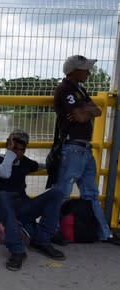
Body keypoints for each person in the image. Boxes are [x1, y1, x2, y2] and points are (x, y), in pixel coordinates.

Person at [52, 55, 120, 245]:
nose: (89, 72)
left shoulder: (78, 89)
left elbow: (96, 111)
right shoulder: (66, 90)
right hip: (73, 147)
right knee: (62, 191)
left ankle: (104, 233)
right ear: (74, 71)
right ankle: (51, 230)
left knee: (90, 193)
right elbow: (82, 117)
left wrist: (84, 110)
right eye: (86, 69)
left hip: (83, 148)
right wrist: (85, 110)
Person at [0, 129, 65, 271]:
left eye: (21, 150)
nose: (17, 153)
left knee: (57, 193)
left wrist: (57, 162)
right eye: (14, 149)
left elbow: (42, 166)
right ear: (8, 146)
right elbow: (4, 173)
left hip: (21, 206)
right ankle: (17, 250)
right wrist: (10, 152)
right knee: (4, 196)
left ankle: (42, 239)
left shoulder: (25, 162)